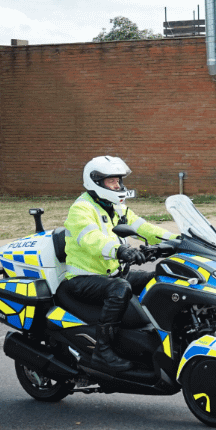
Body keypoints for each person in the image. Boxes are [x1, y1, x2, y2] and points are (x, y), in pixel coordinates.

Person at [61, 156, 178, 372]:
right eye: (112, 181)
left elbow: (144, 228)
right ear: (96, 182)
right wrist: (120, 250)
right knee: (120, 288)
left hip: (112, 273)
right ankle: (102, 351)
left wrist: (177, 240)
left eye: (118, 181)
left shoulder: (117, 207)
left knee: (159, 278)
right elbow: (92, 239)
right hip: (83, 278)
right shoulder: (81, 209)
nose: (117, 185)